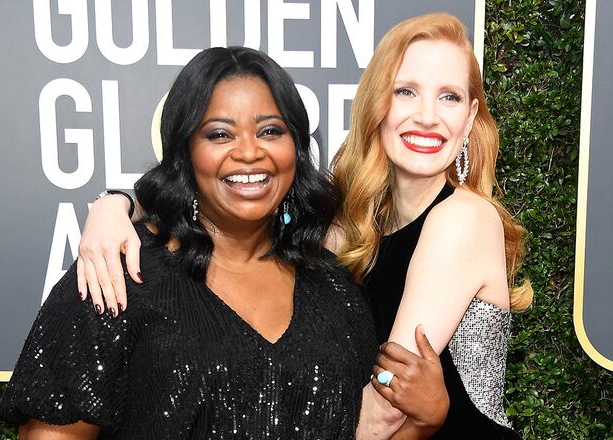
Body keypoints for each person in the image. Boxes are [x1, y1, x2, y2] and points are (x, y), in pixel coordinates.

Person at [76, 12, 531, 439]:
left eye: (449, 96)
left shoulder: (464, 218)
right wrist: (115, 207)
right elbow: (238, 203)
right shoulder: (354, 216)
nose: (428, 116)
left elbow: (387, 407)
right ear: (377, 102)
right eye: (405, 91)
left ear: (470, 117)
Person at [0, 46, 448, 439]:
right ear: (185, 153)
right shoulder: (118, 277)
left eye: (271, 130)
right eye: (219, 134)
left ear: (296, 148)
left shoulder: (335, 295)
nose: (249, 151)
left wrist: (422, 423)